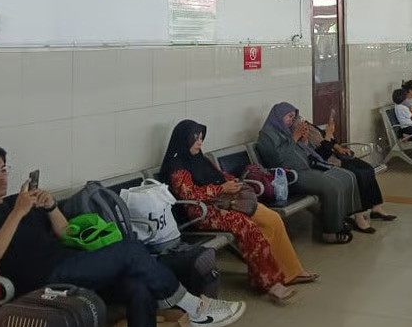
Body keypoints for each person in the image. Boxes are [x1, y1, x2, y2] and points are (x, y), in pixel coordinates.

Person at [0, 145, 245, 327]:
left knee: (138, 288)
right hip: (37, 285)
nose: (2, 177)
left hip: (67, 267)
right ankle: (194, 307)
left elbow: (66, 233)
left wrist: (50, 207)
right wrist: (17, 214)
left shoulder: (19, 203)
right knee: (131, 251)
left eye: (4, 169)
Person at [158, 120, 318, 303]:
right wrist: (222, 188)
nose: (200, 143)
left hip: (227, 202)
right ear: (183, 140)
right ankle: (270, 282)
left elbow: (220, 176)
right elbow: (190, 194)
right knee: (247, 226)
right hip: (202, 212)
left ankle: (291, 271)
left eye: (201, 138)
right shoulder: (177, 167)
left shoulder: (200, 159)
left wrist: (233, 183)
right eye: (195, 139)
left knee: (272, 219)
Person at [256, 102, 369, 244]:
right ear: (279, 116)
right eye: (289, 116)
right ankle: (330, 231)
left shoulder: (286, 131)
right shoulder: (267, 135)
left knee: (346, 178)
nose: (291, 120)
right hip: (290, 175)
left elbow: (299, 152)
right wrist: (294, 138)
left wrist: (303, 140)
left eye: (293, 117)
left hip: (305, 168)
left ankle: (339, 220)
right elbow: (277, 159)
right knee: (332, 188)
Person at [303, 117, 396, 225]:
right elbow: (320, 155)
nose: (299, 120)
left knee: (368, 169)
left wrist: (339, 148)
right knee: (358, 174)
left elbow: (329, 140)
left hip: (337, 156)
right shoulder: (302, 134)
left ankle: (376, 207)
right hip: (329, 162)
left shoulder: (311, 127)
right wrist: (328, 134)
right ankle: (358, 215)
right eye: (291, 117)